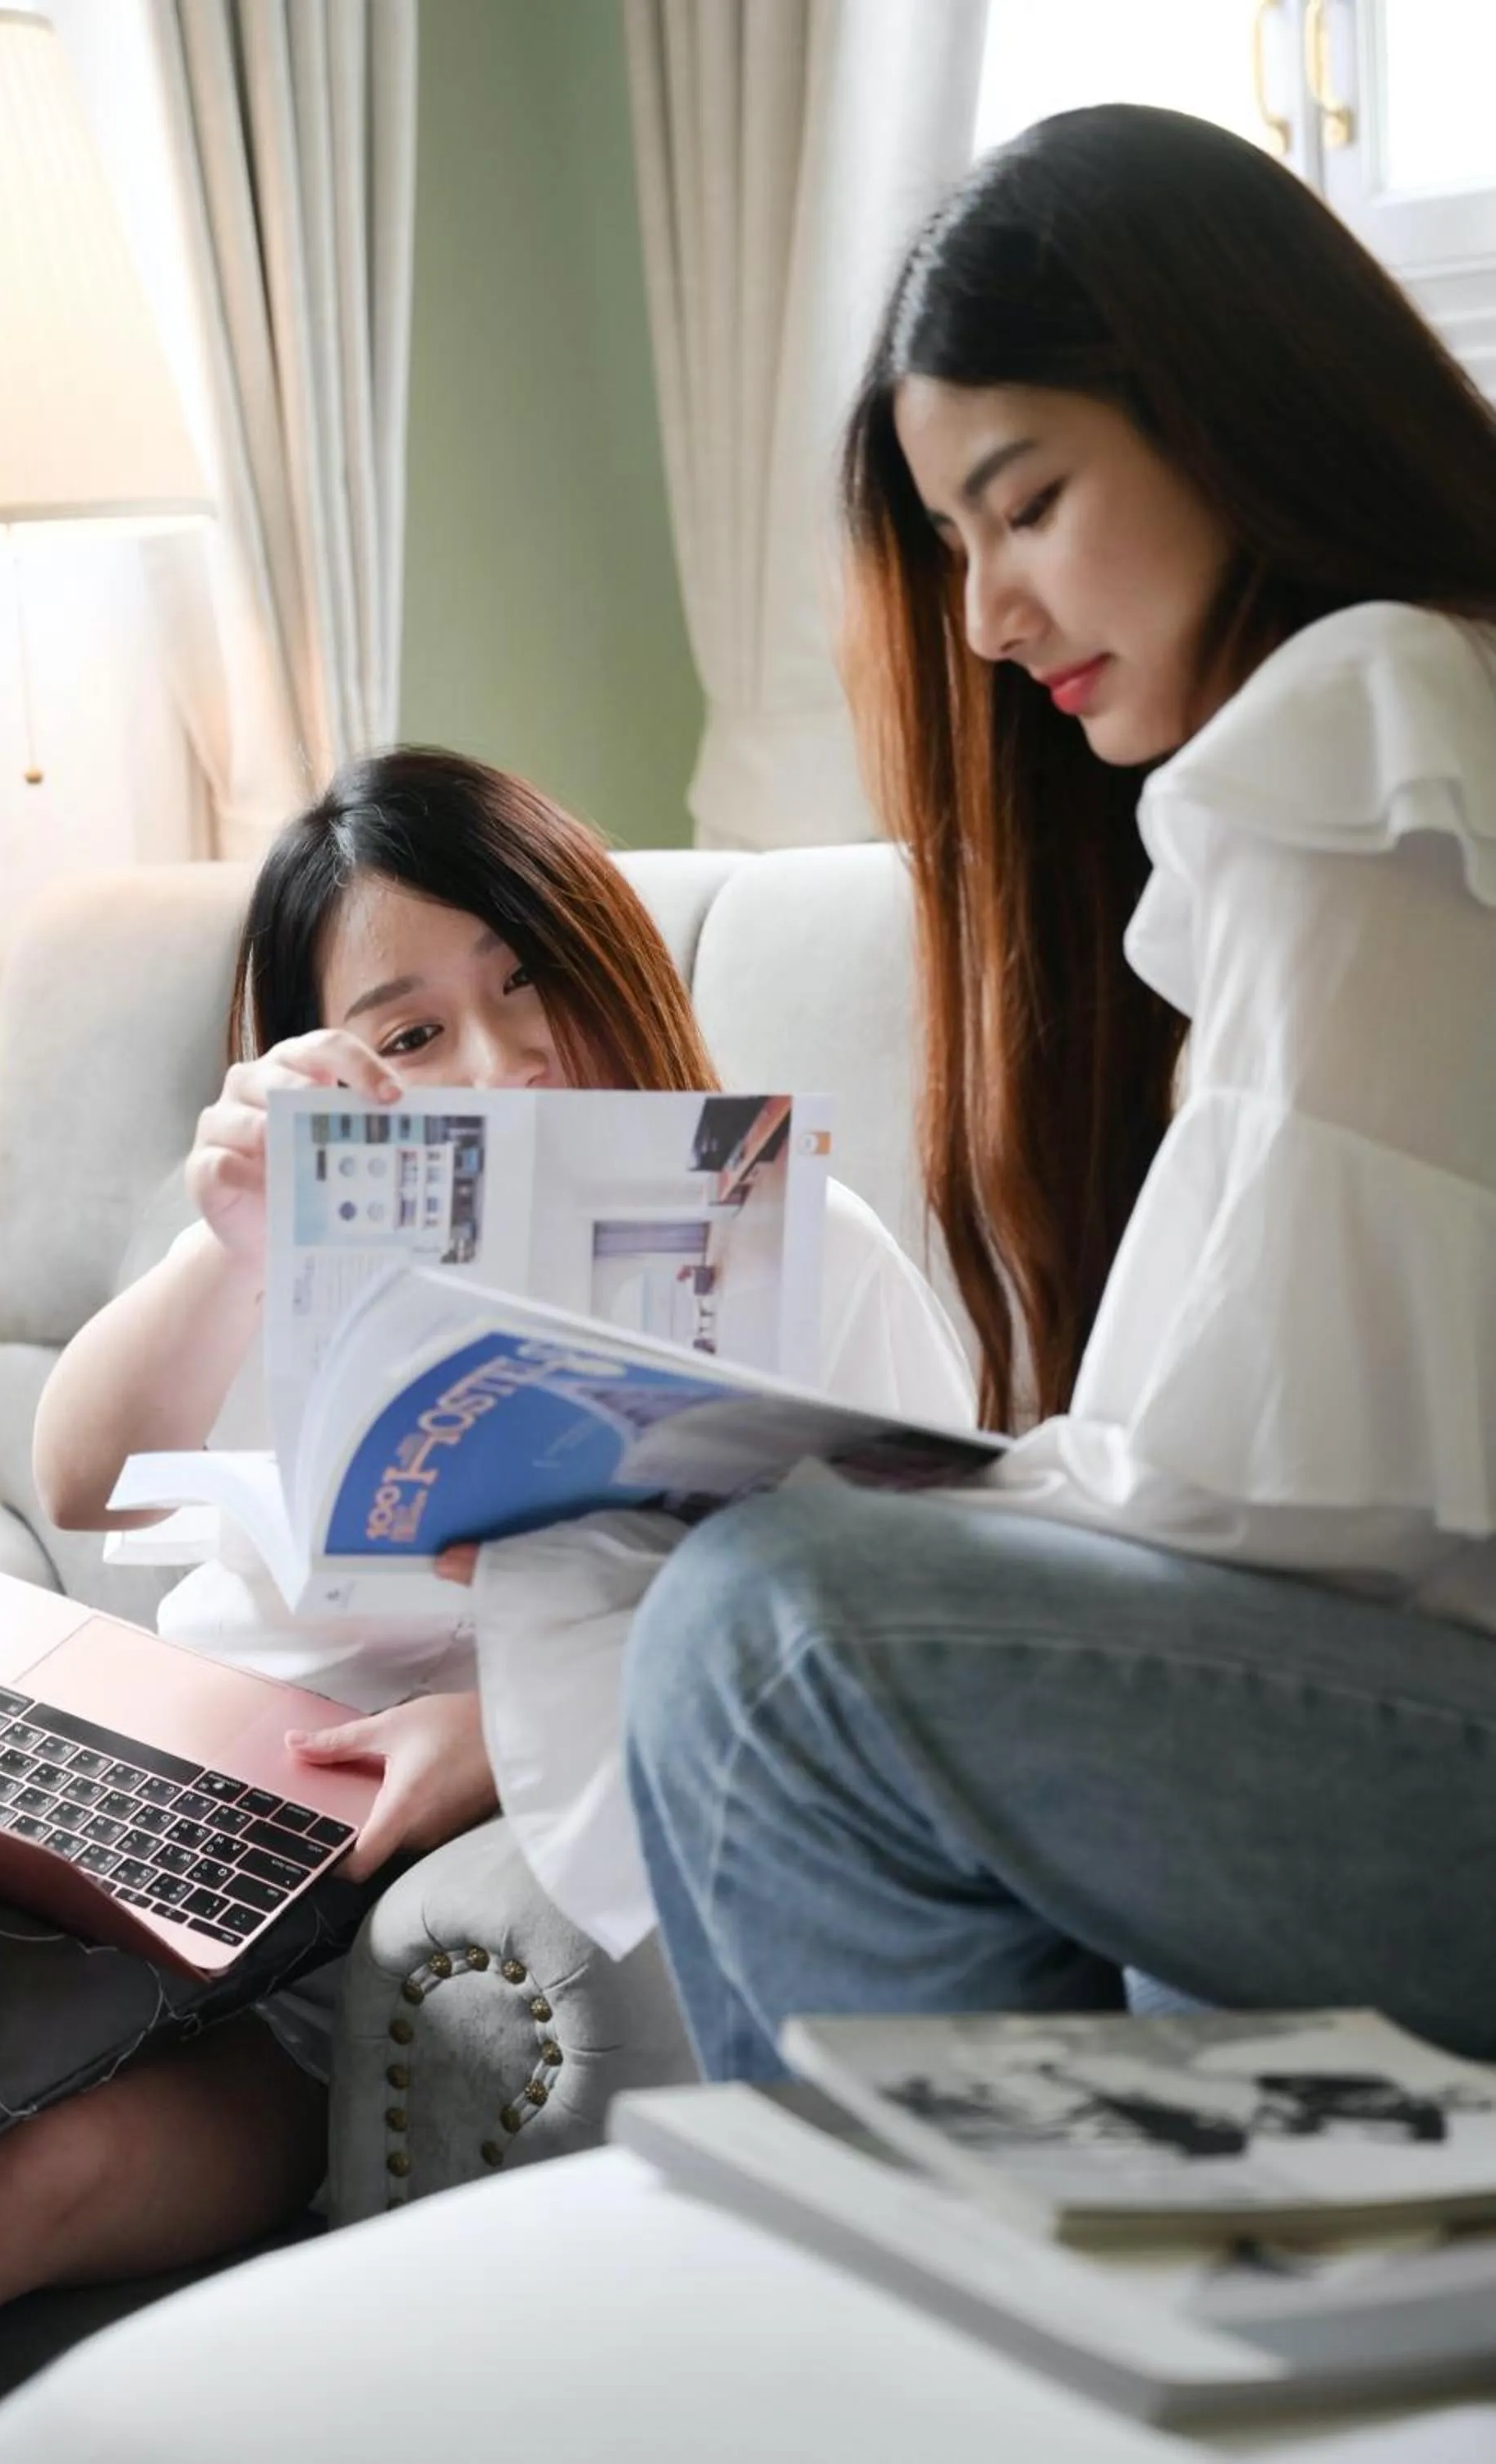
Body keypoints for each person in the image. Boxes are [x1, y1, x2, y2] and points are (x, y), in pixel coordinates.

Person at [0, 748, 972, 2398]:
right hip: (188, 1810)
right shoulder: (306, 1245)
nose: (505, 1064)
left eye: (531, 986)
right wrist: (231, 1238)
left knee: (35, 2185)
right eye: (411, 1032)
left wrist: (491, 1735)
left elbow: (892, 1605)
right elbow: (80, 1474)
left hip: (349, 1936)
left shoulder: (811, 1247)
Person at [622, 103, 1496, 2084]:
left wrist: (912, 1492)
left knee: (770, 1625)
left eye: (1025, 506)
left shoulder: (1355, 731)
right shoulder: (1424, 707)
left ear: (1227, 410)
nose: (985, 619)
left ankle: (966, 2344)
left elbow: (1277, 1506)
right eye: (952, 543)